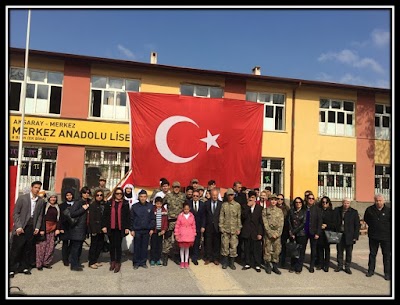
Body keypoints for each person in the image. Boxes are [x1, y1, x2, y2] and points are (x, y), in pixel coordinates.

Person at [9, 180, 45, 278]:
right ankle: (11, 269)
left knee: (27, 248)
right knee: (16, 248)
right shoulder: (22, 198)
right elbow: (16, 213)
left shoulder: (41, 201)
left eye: (39, 188)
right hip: (21, 227)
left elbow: (40, 216)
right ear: (31, 188)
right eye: (35, 187)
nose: (37, 189)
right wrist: (18, 226)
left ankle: (23, 267)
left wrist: (37, 227)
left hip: (31, 227)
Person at [102, 186, 130, 273]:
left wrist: (127, 227)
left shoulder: (125, 203)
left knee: (118, 245)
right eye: (117, 193)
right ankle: (112, 261)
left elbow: (127, 216)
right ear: (114, 194)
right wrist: (104, 226)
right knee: (112, 245)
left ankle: (118, 262)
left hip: (120, 228)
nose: (119, 195)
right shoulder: (109, 203)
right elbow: (105, 216)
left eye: (120, 194)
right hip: (111, 228)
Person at [364, 194, 391, 280]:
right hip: (373, 236)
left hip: (386, 237)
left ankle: (387, 273)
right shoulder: (369, 210)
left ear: (384, 201)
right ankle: (370, 271)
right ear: (374, 201)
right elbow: (366, 219)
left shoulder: (389, 210)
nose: (378, 202)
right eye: (377, 201)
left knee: (386, 255)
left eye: (380, 200)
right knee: (372, 254)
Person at [333, 198, 360, 274]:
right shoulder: (337, 210)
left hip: (349, 235)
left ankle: (347, 267)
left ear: (350, 204)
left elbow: (357, 225)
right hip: (339, 234)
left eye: (348, 203)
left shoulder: (354, 212)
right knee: (339, 251)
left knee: (349, 252)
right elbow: (334, 220)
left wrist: (355, 236)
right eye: (345, 203)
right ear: (342, 203)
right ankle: (339, 266)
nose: (346, 204)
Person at [161, 181, 186, 266]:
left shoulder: (183, 196)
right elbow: (161, 204)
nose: (176, 188)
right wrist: (164, 214)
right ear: (172, 187)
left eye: (178, 187)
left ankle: (176, 256)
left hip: (179, 222)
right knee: (167, 239)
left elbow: (186, 207)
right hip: (169, 221)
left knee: (177, 239)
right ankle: (165, 256)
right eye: (175, 187)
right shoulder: (168, 196)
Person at [35, 192, 61, 270]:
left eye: (54, 197)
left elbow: (59, 219)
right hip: (44, 227)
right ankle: (39, 263)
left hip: (53, 228)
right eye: (51, 197)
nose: (53, 199)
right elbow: (41, 217)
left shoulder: (57, 207)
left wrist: (58, 229)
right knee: (41, 246)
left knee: (50, 247)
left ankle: (46, 262)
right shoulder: (45, 206)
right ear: (49, 198)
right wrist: (41, 229)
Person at [131, 190, 155, 269]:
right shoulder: (134, 206)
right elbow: (131, 219)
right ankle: (136, 262)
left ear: (146, 197)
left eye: (144, 197)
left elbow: (152, 219)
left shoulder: (150, 206)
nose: (143, 198)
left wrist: (152, 228)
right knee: (137, 246)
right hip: (137, 230)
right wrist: (132, 229)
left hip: (146, 230)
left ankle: (143, 262)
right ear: (139, 197)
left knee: (144, 247)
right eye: (141, 196)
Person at [68, 186, 91, 271]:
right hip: (77, 228)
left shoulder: (88, 201)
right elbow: (72, 214)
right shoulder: (78, 202)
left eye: (88, 193)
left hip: (83, 228)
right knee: (76, 247)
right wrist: (83, 209)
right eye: (85, 193)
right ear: (81, 193)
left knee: (79, 247)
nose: (86, 194)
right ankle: (74, 265)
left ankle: (77, 263)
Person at [241, 191, 264, 273]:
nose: (251, 199)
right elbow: (243, 217)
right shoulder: (244, 207)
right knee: (247, 248)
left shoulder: (260, 208)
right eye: (250, 198)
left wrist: (260, 233)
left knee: (256, 249)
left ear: (255, 199)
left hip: (256, 231)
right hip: (247, 231)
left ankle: (257, 264)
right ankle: (248, 263)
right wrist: (247, 207)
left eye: (253, 198)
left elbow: (261, 222)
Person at [219, 188, 242, 270]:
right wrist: (221, 226)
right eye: (229, 195)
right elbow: (221, 216)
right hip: (225, 229)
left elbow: (239, 217)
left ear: (234, 195)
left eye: (232, 195)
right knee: (224, 246)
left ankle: (231, 263)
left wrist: (239, 228)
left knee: (233, 247)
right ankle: (225, 262)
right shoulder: (224, 205)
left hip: (234, 229)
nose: (230, 196)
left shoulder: (237, 205)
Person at [262, 193, 284, 275]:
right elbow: (265, 223)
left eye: (275, 200)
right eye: (272, 200)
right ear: (269, 201)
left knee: (277, 250)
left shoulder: (279, 211)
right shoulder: (265, 210)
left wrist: (277, 234)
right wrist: (270, 233)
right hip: (268, 233)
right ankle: (267, 265)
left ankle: (275, 266)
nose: (274, 201)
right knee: (267, 250)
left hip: (277, 234)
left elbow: (281, 223)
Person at [303, 193, 322, 273]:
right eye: (309, 198)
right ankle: (299, 264)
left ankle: (311, 265)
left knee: (313, 250)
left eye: (312, 198)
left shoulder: (317, 209)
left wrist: (318, 233)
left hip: (313, 232)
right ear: (307, 199)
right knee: (302, 249)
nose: (311, 199)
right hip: (304, 231)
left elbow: (319, 222)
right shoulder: (303, 208)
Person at [87, 188, 106, 269]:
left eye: (101, 195)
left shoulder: (103, 205)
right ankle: (91, 262)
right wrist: (93, 230)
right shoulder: (93, 205)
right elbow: (91, 219)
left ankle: (95, 260)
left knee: (100, 245)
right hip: (95, 228)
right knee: (94, 245)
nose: (99, 196)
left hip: (102, 228)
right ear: (95, 196)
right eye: (98, 195)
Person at [174, 202, 197, 269]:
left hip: (189, 234)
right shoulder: (180, 216)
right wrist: (176, 234)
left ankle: (186, 261)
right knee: (182, 248)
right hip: (182, 234)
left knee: (187, 249)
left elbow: (193, 226)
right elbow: (177, 226)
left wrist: (194, 233)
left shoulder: (192, 216)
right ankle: (182, 261)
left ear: (189, 209)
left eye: (187, 209)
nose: (186, 210)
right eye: (185, 209)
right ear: (183, 209)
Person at [203, 188, 222, 265]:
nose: (214, 197)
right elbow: (204, 216)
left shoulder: (221, 204)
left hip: (217, 226)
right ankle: (208, 258)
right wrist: (203, 226)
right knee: (208, 243)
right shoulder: (206, 204)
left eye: (216, 195)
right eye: (213, 195)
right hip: (208, 226)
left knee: (217, 243)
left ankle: (216, 258)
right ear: (210, 195)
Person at [288, 197, 306, 274]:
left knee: (301, 251)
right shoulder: (291, 211)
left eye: (299, 202)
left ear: (302, 203)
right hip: (292, 234)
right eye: (296, 202)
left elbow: (303, 224)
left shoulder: (305, 212)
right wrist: (291, 232)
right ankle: (292, 266)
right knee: (293, 250)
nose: (298, 204)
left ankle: (299, 267)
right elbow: (289, 221)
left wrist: (294, 232)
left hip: (301, 234)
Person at [317, 196, 335, 272]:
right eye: (323, 202)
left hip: (328, 232)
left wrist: (327, 225)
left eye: (326, 202)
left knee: (327, 249)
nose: (324, 204)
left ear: (329, 203)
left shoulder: (332, 212)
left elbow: (334, 223)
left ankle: (326, 265)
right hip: (320, 232)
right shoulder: (319, 211)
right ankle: (320, 264)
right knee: (320, 249)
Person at [188, 190, 206, 265]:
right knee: (189, 242)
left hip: (198, 226)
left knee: (197, 242)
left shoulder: (202, 204)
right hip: (189, 227)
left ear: (199, 197)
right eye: (194, 196)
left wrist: (203, 226)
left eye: (197, 196)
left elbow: (204, 216)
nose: (195, 197)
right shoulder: (188, 203)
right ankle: (187, 257)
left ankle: (195, 257)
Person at [58, 189, 76, 266]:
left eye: (70, 195)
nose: (69, 197)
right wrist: (60, 228)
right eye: (67, 195)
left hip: (74, 227)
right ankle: (65, 259)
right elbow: (60, 218)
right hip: (65, 227)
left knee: (72, 243)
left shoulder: (76, 204)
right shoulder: (61, 206)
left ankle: (70, 257)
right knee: (65, 243)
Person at [150, 197, 168, 267]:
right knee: (153, 245)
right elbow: (151, 220)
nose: (159, 205)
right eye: (157, 204)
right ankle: (152, 259)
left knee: (159, 246)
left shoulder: (164, 210)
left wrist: (164, 229)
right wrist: (151, 229)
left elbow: (166, 221)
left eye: (160, 204)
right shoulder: (153, 210)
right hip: (154, 231)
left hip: (160, 231)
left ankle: (158, 259)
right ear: (155, 203)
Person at [276, 193, 290, 268]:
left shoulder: (286, 208)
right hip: (275, 229)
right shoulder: (273, 207)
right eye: (278, 199)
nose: (279, 200)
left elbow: (288, 220)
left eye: (281, 199)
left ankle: (282, 261)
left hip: (284, 229)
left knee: (283, 246)